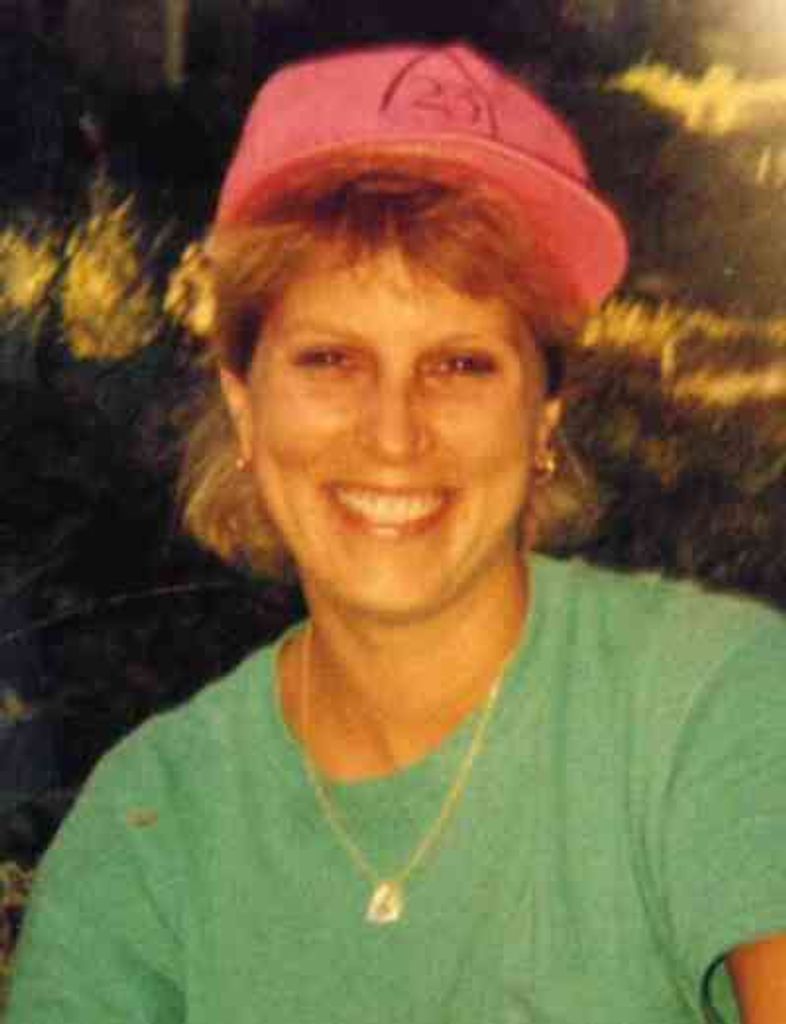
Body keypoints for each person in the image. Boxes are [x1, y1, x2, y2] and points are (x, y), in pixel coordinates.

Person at [7, 42, 786, 1024]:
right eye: (331, 360)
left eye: (460, 365)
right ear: (244, 407)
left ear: (543, 419)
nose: (393, 434)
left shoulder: (713, 704)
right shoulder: (146, 829)